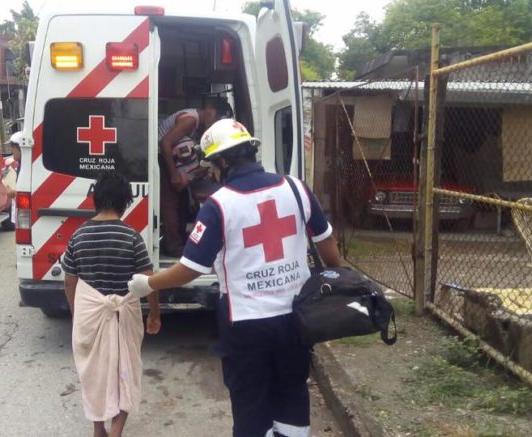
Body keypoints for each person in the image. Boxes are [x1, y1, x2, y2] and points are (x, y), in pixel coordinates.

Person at [129, 119, 341, 437]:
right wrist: (336, 277)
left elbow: (191, 268)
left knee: (250, 404)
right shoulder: (296, 188)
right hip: (296, 318)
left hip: (245, 325)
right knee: (292, 392)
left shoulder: (219, 205)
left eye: (211, 165)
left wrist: (149, 283)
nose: (211, 172)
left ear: (223, 163)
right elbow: (327, 244)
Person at [62, 172, 161, 437]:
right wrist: (154, 314)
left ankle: (98, 429)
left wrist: (76, 312)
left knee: (94, 373)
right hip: (123, 316)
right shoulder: (131, 237)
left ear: (95, 199)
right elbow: (148, 281)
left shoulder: (78, 236)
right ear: (125, 202)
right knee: (125, 369)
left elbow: (70, 282)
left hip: (89, 317)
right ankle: (116, 431)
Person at [158, 98, 233, 257]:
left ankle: (175, 243)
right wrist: (173, 174)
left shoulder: (196, 123)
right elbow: (165, 143)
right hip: (164, 157)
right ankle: (174, 247)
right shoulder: (190, 120)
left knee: (182, 202)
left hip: (171, 158)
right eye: (216, 119)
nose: (214, 124)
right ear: (209, 109)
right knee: (170, 203)